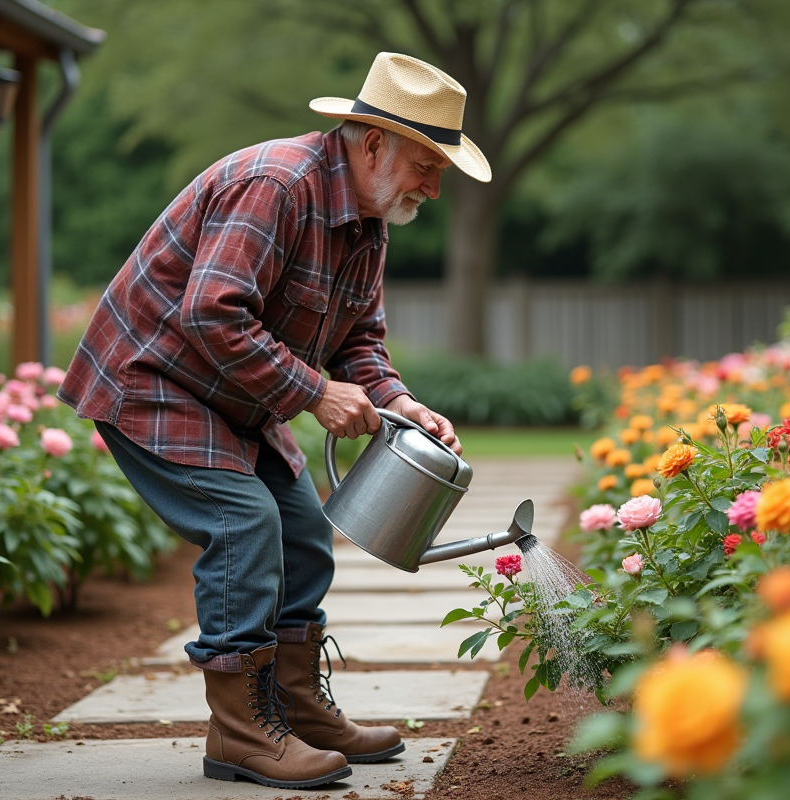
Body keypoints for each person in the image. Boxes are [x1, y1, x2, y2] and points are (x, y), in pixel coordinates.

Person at [58, 52, 491, 790]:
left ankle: (292, 709)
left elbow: (359, 338)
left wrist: (398, 402)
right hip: (154, 378)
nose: (434, 186)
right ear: (374, 143)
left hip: (232, 390)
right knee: (242, 523)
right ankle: (239, 735)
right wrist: (315, 393)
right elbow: (209, 313)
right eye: (427, 163)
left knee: (301, 532)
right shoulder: (278, 185)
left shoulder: (368, 222)